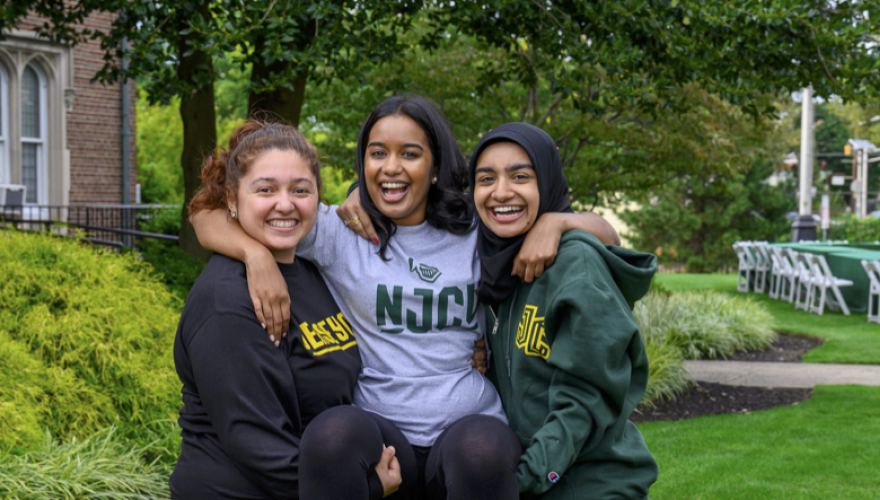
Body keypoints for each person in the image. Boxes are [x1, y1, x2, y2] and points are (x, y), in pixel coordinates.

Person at [191, 96, 621, 499]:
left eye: (410, 154)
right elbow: (206, 211)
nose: (390, 167)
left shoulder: (476, 227)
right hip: (380, 429)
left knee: (481, 453)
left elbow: (610, 237)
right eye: (378, 153)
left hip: (467, 422)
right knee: (331, 434)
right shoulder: (340, 232)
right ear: (364, 162)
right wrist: (254, 254)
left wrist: (557, 223)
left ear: (434, 164)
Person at [169, 121, 402, 500]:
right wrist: (364, 486)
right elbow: (258, 445)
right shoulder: (226, 303)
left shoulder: (312, 270)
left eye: (300, 190)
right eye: (266, 189)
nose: (285, 203)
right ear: (232, 198)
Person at [468, 122, 659, 499]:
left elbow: (586, 398)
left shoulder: (576, 263)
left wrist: (522, 481)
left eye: (521, 176)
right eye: (485, 178)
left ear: (548, 183)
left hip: (589, 483)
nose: (501, 192)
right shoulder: (492, 263)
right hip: (529, 472)